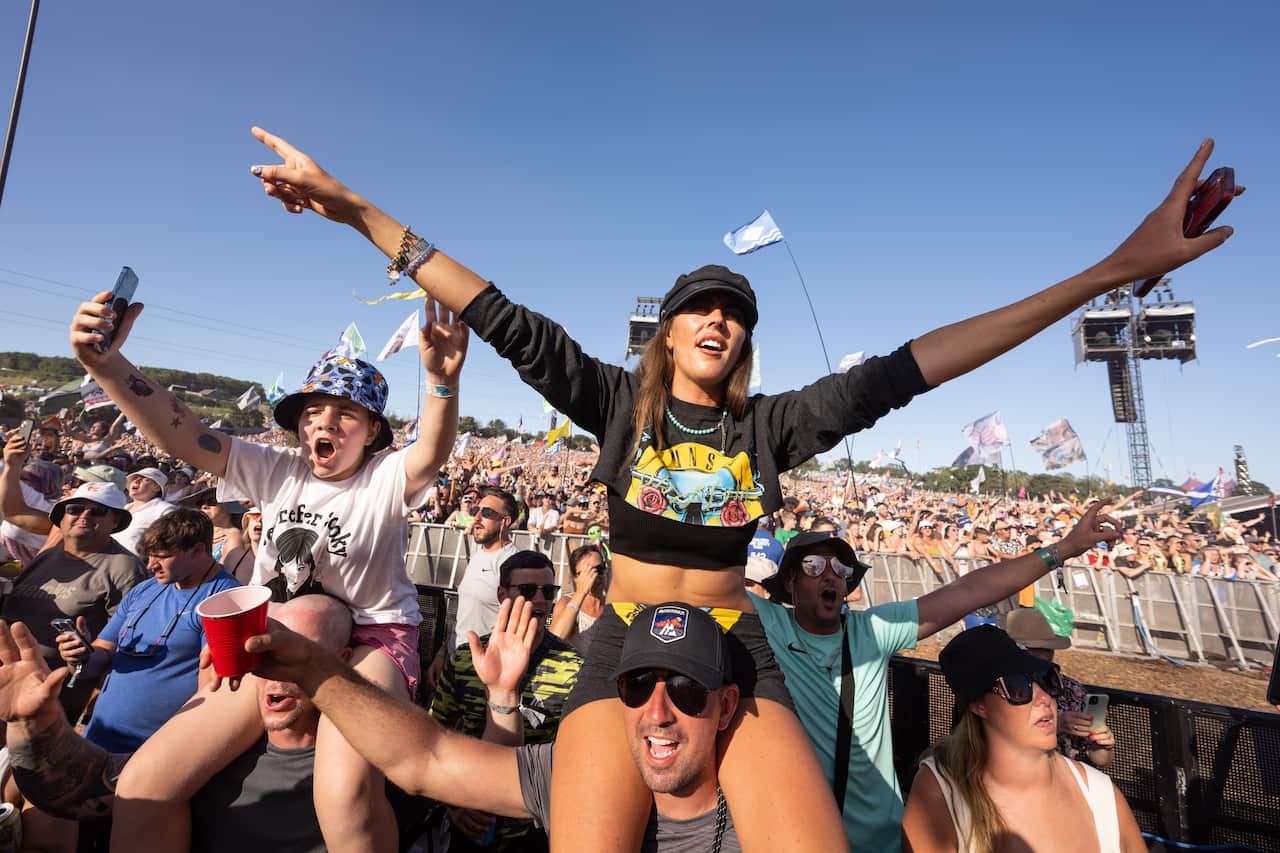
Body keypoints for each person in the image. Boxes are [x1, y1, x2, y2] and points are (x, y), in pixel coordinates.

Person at [245, 126, 1233, 851]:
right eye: (697, 308)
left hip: (735, 653)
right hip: (622, 647)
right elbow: (495, 311)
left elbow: (921, 362)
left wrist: (1112, 267)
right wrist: (354, 210)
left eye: (733, 314)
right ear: (666, 332)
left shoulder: (772, 426)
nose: (717, 319)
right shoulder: (611, 404)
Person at [69, 285, 467, 853]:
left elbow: (432, 447)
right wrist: (107, 365)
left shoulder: (385, 477)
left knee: (342, 790)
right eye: (311, 412)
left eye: (343, 413)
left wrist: (441, 384)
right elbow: (180, 430)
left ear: (373, 430)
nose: (321, 424)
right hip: (267, 636)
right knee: (146, 783)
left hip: (371, 641)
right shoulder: (273, 469)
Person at [228, 596, 744, 851]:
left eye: (685, 690)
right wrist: (315, 670)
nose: (657, 712)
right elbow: (425, 757)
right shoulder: (582, 777)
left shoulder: (761, 811)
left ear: (726, 706)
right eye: (638, 686)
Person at [754, 502, 1120, 848]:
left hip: (885, 841)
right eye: (814, 566)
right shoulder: (767, 625)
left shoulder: (873, 631)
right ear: (788, 583)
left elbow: (968, 591)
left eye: (841, 569)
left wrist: (1062, 550)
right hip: (800, 837)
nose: (830, 575)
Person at [0, 596, 356, 853]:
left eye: (297, 655)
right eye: (265, 652)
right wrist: (34, 724)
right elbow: (79, 793)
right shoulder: (209, 751)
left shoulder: (363, 761)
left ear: (343, 661)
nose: (276, 673)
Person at [901, 625, 1145, 852]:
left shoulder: (1102, 795)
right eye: (1018, 687)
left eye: (1046, 679)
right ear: (978, 706)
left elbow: (1100, 758)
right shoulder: (941, 792)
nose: (1043, 698)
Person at [429, 550, 583, 851]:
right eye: (527, 590)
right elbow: (434, 734)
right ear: (502, 594)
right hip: (472, 818)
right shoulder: (466, 659)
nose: (539, 600)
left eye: (548, 591)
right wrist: (450, 800)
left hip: (536, 827)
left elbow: (577, 754)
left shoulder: (574, 667)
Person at [54, 508, 240, 752]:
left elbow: (212, 692)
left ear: (198, 550)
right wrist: (83, 653)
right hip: (98, 736)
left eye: (161, 556)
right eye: (150, 556)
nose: (151, 565)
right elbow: (104, 652)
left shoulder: (224, 600)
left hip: (155, 752)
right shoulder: (145, 589)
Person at [0, 482, 145, 720]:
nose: (84, 516)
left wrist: (88, 715)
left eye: (98, 511)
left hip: (52, 704)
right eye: (75, 508)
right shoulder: (48, 555)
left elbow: (123, 646)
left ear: (116, 521)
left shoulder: (125, 569)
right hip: (8, 686)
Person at [430, 486, 520, 686]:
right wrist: (442, 653)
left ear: (505, 522)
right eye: (475, 511)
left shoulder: (513, 562)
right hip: (455, 663)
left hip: (484, 673)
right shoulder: (479, 555)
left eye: (487, 513)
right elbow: (465, 615)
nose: (477, 517)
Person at [1005, 608, 1116, 768]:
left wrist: (1105, 744)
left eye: (1048, 648)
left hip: (1064, 780)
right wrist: (1057, 724)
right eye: (1036, 648)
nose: (1048, 654)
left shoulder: (1070, 689)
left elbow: (1101, 759)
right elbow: (999, 740)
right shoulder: (1000, 691)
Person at [549, 543, 609, 651]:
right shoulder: (566, 603)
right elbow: (554, 639)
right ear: (575, 578)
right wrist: (581, 592)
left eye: (600, 569)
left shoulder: (612, 606)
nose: (595, 576)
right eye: (589, 572)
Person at [113, 467, 177, 557]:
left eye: (145, 479)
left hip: (136, 567)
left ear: (157, 487)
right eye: (135, 478)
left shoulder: (164, 510)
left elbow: (171, 543)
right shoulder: (124, 507)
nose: (137, 480)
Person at [182, 486, 245, 562]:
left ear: (228, 505)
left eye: (211, 501)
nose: (204, 506)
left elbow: (228, 570)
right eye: (200, 503)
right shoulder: (197, 534)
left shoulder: (235, 536)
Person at [222, 507, 263, 584]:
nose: (259, 520)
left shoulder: (281, 558)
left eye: (264, 517)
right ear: (248, 524)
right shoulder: (234, 555)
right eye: (254, 516)